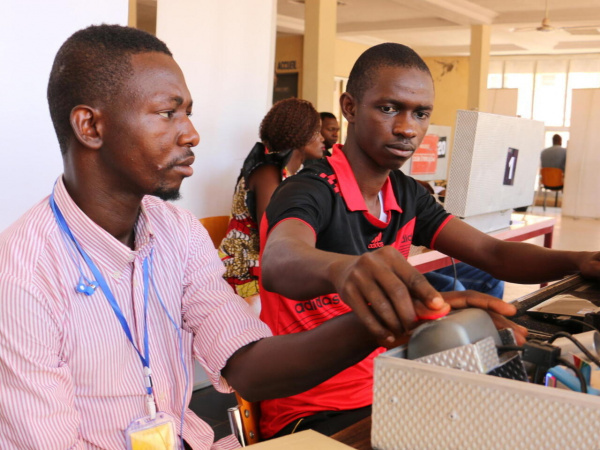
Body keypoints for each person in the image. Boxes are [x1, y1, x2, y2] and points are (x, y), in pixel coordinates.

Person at [0, 26, 506, 449]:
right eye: (167, 112)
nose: (191, 133)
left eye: (188, 112)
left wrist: (378, 322)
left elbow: (249, 366)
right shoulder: (23, 270)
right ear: (91, 126)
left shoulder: (174, 231)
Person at [259, 42, 600, 439]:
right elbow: (279, 260)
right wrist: (343, 268)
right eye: (389, 109)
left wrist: (580, 260)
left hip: (395, 381)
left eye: (420, 114)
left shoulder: (407, 195)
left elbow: (492, 252)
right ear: (350, 107)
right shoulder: (309, 191)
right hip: (313, 407)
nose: (408, 128)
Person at [218, 99, 324, 305]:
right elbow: (272, 232)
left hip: (268, 265)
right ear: (300, 134)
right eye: (316, 131)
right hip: (246, 273)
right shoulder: (268, 172)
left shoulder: (293, 174)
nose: (322, 139)